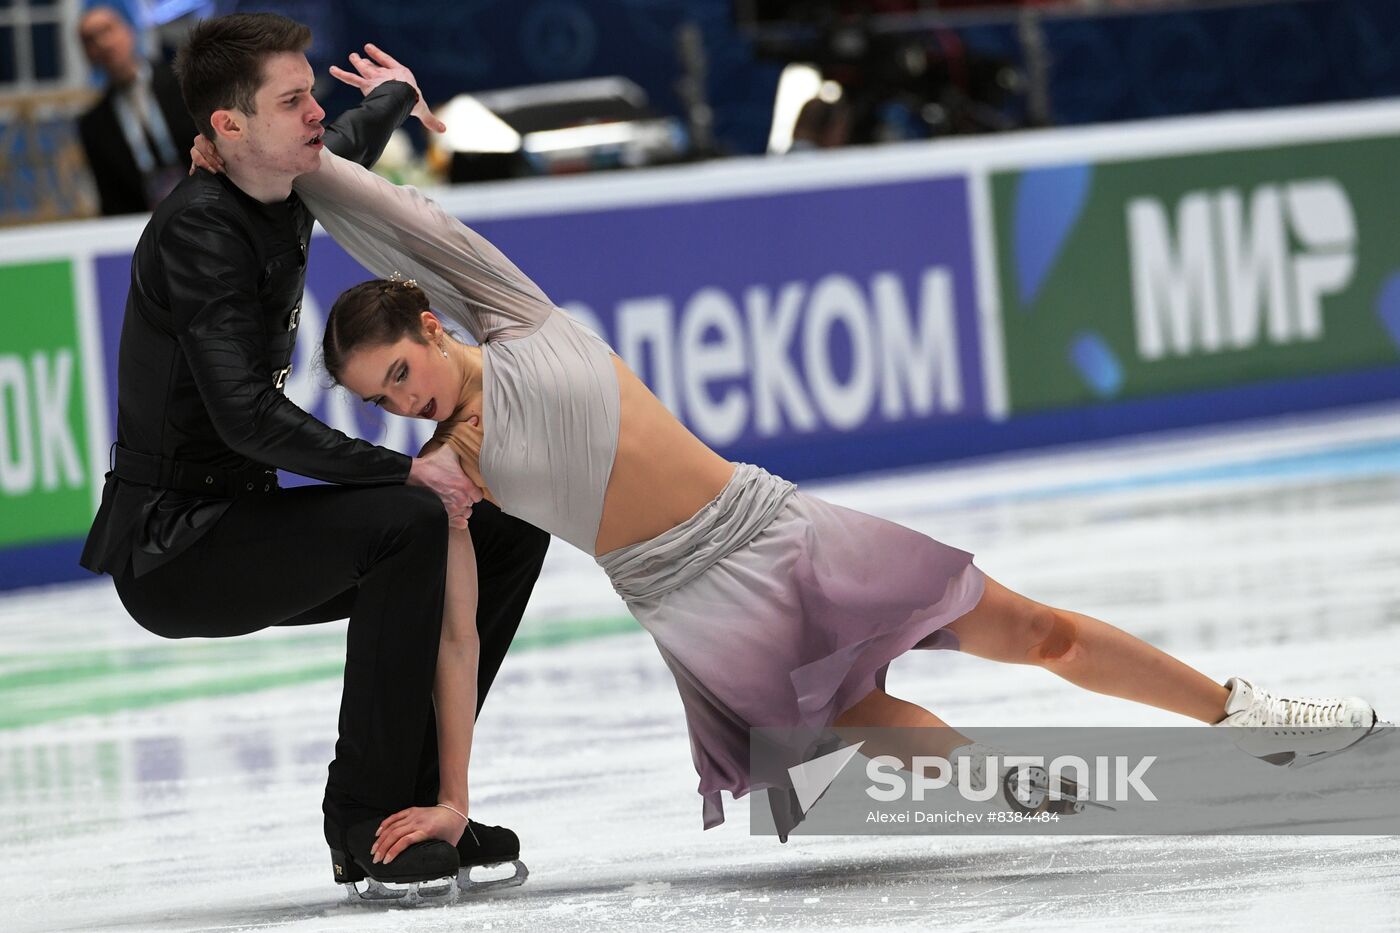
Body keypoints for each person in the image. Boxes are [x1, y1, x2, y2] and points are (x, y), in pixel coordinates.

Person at [296, 147, 1384, 857]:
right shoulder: (449, 473)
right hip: (694, 609)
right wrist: (451, 798)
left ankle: (1245, 717)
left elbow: (406, 222)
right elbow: (452, 638)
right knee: (887, 729)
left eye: (398, 376)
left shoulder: (512, 314)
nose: (401, 406)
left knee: (1033, 630)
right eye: (374, 401)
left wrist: (304, 160)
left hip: (775, 522)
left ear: (430, 329)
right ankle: (1075, 806)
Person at [78, 14, 549, 899]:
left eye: (311, 96)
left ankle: (419, 807)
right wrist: (404, 467)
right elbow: (249, 416)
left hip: (240, 514)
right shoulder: (198, 234)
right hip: (179, 544)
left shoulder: (284, 172)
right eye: (292, 101)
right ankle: (362, 822)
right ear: (226, 129)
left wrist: (397, 95)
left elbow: (352, 137)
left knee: (503, 523)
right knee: (413, 516)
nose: (313, 115)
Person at [77, 6, 198, 215]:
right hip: (145, 223)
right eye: (90, 39)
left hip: (205, 204)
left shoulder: (183, 83)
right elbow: (110, 197)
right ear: (87, 53)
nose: (103, 43)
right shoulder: (94, 123)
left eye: (107, 30)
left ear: (129, 31)